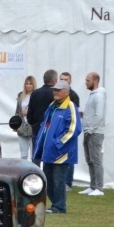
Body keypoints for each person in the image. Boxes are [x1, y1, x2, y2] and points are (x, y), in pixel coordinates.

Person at [33, 79, 82, 214]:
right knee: (48, 179)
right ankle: (55, 204)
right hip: (49, 151)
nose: (55, 92)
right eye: (55, 89)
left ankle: (59, 206)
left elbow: (74, 129)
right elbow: (45, 125)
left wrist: (58, 143)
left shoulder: (70, 107)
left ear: (67, 92)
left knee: (58, 180)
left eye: (59, 90)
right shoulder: (52, 106)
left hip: (61, 152)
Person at [80, 71, 106, 196]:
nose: (86, 83)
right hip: (88, 131)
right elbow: (92, 113)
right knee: (90, 160)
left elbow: (99, 115)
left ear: (95, 81)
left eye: (88, 80)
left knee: (96, 160)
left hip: (95, 133)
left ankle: (99, 188)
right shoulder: (92, 95)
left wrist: (91, 129)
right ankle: (93, 186)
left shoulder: (99, 95)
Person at [26, 69, 58, 166]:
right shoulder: (55, 93)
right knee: (50, 159)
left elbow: (30, 113)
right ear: (54, 81)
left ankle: (34, 179)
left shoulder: (35, 93)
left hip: (37, 129)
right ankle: (49, 180)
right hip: (51, 131)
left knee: (36, 159)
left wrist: (33, 123)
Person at [59, 72, 80, 189]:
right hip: (58, 131)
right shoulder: (56, 95)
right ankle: (60, 181)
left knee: (69, 157)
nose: (63, 81)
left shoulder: (74, 96)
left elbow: (75, 116)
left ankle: (68, 182)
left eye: (66, 79)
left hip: (69, 131)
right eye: (61, 79)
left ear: (70, 81)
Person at [14, 75, 36, 160]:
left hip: (32, 126)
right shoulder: (21, 95)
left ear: (34, 85)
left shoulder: (36, 95)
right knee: (23, 154)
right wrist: (15, 124)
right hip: (22, 125)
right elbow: (17, 111)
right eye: (27, 84)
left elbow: (39, 111)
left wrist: (29, 112)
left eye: (30, 84)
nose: (28, 85)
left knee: (33, 154)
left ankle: (34, 171)